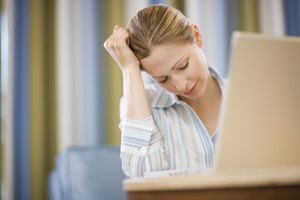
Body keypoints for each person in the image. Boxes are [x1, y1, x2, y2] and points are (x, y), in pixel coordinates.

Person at [104, 4, 228, 178]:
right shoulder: (142, 106)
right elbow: (142, 175)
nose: (180, 85)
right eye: (162, 79)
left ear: (197, 36)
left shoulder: (248, 95)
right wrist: (129, 69)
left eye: (183, 66)